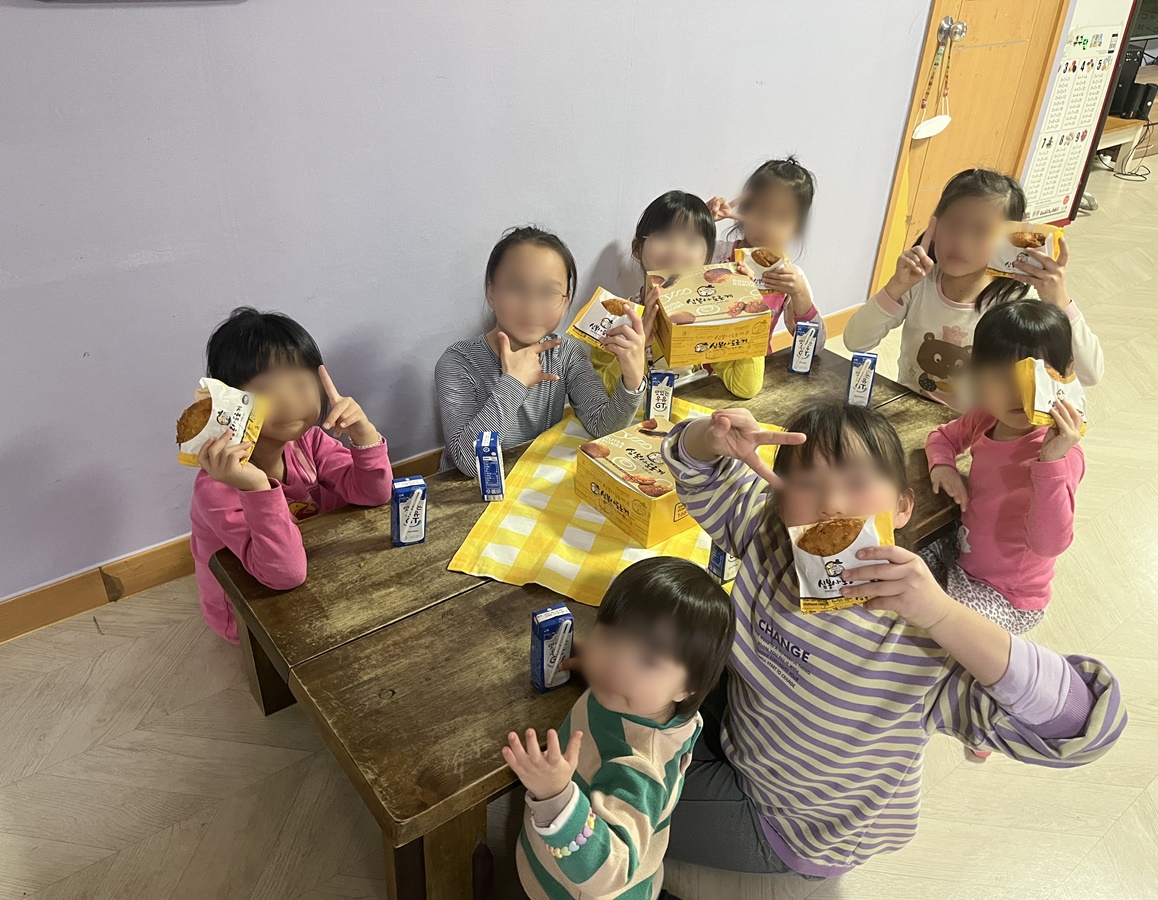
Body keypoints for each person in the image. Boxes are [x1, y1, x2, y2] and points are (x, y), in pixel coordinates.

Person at [657, 399, 1125, 877]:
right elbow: (694, 468)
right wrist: (708, 436)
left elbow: (1080, 723)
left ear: (902, 507)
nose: (831, 504)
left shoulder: (924, 647)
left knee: (619, 796)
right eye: (808, 483)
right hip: (743, 736)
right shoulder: (768, 535)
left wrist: (942, 614)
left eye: (857, 483)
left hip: (790, 825)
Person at [504, 557, 735, 899]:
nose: (617, 665)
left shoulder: (639, 768)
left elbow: (610, 870)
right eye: (611, 639)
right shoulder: (635, 697)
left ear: (688, 689)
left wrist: (555, 797)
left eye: (648, 660)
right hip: (549, 867)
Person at [189, 308, 391, 642]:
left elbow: (374, 494)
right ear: (229, 400)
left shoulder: (309, 441)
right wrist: (257, 488)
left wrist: (364, 433)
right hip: (251, 614)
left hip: (314, 570)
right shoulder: (217, 486)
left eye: (300, 382)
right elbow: (285, 575)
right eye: (266, 387)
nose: (290, 400)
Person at [842, 168, 1103, 409]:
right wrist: (895, 287)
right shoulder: (919, 282)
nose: (961, 240)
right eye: (953, 223)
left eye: (981, 231)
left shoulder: (1017, 301)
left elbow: (1090, 373)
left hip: (976, 430)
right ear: (935, 224)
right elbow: (856, 341)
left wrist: (1058, 300)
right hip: (912, 411)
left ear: (1007, 239)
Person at [924, 300, 1085, 634]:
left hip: (1007, 597)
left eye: (1034, 377)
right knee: (896, 559)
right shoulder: (986, 417)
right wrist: (943, 466)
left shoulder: (1062, 455)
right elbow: (942, 437)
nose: (1017, 393)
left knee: (948, 632)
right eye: (1001, 377)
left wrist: (1050, 461)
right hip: (961, 557)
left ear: (1063, 376)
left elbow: (1048, 545)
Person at [436, 226, 645, 476]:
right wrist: (515, 382)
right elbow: (470, 462)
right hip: (468, 490)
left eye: (548, 292)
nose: (532, 307)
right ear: (491, 292)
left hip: (533, 477)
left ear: (566, 301)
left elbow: (604, 426)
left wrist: (632, 379)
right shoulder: (458, 362)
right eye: (516, 288)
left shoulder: (565, 354)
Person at [591, 190, 766, 399]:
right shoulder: (613, 317)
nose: (677, 250)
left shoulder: (706, 317)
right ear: (637, 248)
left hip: (690, 414)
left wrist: (746, 306)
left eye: (691, 241)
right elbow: (599, 397)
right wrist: (637, 348)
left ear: (706, 259)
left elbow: (746, 387)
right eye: (664, 236)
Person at [707, 155, 827, 397]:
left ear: (797, 227)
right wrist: (702, 222)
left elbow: (814, 348)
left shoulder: (790, 278)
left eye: (782, 218)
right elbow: (673, 275)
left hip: (752, 375)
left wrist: (800, 295)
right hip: (700, 370)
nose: (768, 225)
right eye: (760, 212)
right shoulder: (715, 254)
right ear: (744, 210)